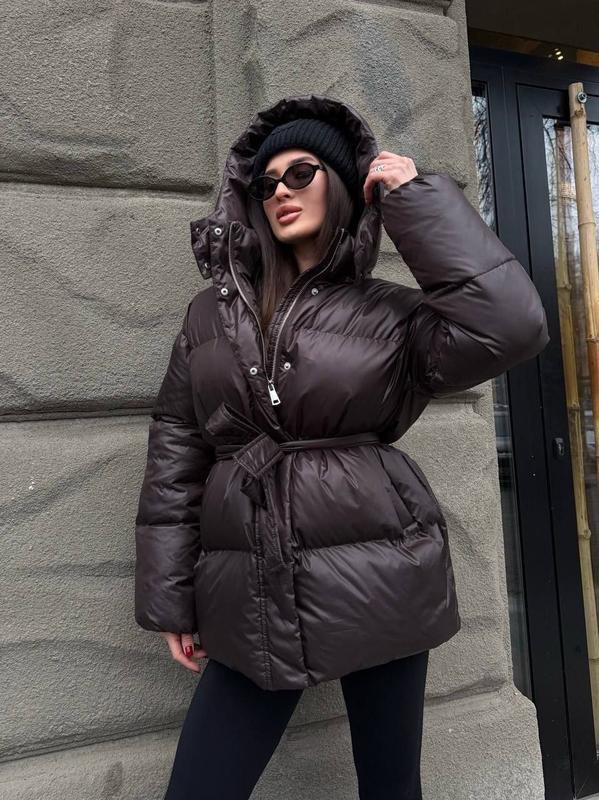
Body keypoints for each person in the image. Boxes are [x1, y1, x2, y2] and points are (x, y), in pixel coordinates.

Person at [134, 94, 550, 799]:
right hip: (251, 581)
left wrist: (414, 202)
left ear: (341, 185)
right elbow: (176, 449)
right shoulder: (210, 315)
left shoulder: (390, 314)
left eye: (301, 174)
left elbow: (511, 326)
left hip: (382, 568)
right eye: (266, 182)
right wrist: (170, 596)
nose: (280, 192)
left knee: (390, 787)